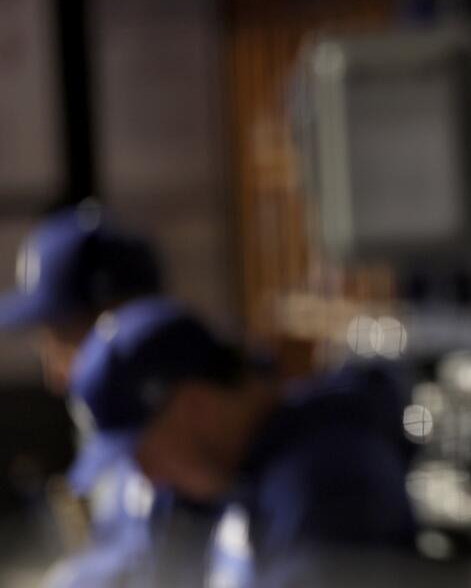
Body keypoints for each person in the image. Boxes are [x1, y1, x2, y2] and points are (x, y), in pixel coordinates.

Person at [68, 296, 419, 587]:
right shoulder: (245, 470)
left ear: (194, 407)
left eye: (144, 452)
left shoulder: (327, 483)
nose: (148, 476)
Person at [0, 202, 213, 588]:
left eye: (62, 341)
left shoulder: (184, 422)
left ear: (119, 320)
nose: (55, 377)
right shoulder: (108, 423)